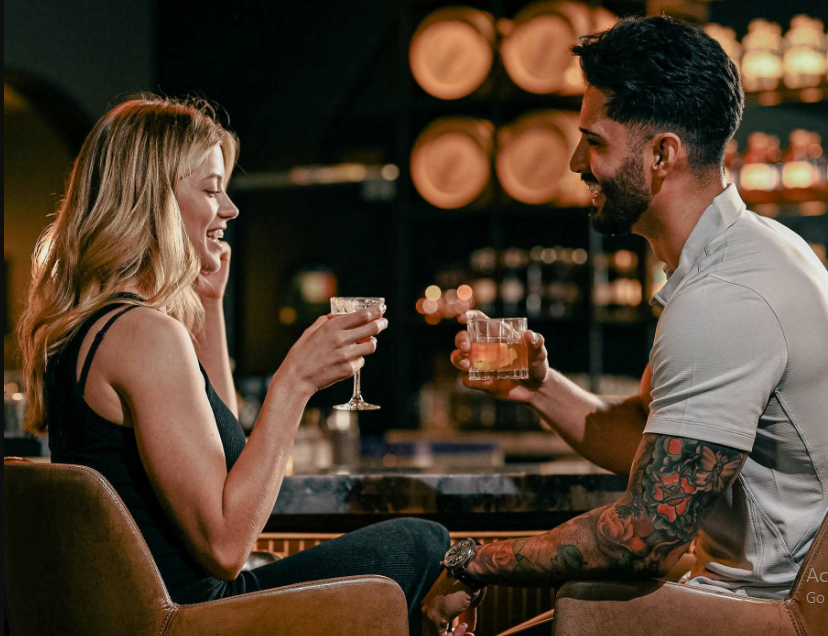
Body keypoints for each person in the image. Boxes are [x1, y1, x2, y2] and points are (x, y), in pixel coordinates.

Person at [16, 95, 477, 636]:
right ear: (153, 200)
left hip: (160, 612)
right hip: (194, 618)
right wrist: (296, 382)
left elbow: (219, 449)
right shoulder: (143, 333)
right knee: (425, 544)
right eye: (212, 190)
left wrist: (210, 309)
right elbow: (226, 545)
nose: (231, 209)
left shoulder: (92, 328)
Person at [443, 14, 828, 610]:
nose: (574, 162)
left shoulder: (722, 299)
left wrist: (471, 560)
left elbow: (643, 536)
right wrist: (539, 387)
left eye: (594, 141)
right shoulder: (756, 252)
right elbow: (653, 447)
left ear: (661, 154)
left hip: (771, 617)